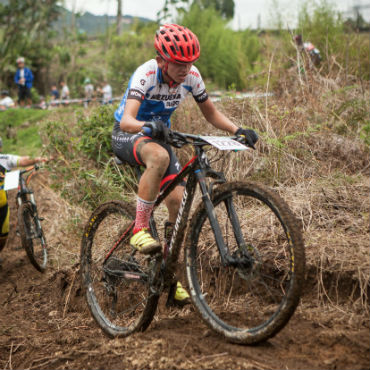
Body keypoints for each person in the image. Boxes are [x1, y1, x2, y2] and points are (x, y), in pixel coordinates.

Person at [111, 24, 258, 306]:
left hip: (159, 135)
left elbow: (210, 112)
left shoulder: (192, 76)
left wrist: (238, 129)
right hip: (128, 133)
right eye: (179, 63)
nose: (185, 69)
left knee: (178, 204)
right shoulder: (146, 74)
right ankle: (139, 229)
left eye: (189, 63)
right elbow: (128, 120)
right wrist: (149, 126)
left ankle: (171, 277)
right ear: (162, 59)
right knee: (160, 157)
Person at [0, 137, 48, 253]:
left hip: (2, 206)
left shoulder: (4, 159)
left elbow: (23, 160)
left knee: (3, 235)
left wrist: (39, 159)